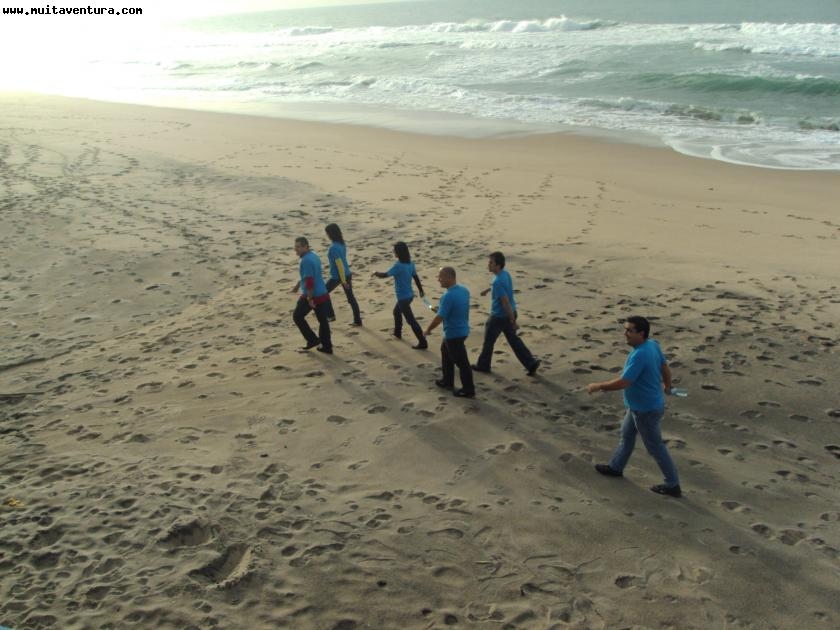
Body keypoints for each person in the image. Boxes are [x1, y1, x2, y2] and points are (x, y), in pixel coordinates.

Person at [586, 316, 681, 497]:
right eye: (625, 329)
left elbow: (624, 382)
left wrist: (598, 386)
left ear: (641, 333)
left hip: (645, 410)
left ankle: (672, 484)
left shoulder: (640, 354)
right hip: (639, 407)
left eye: (630, 330)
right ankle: (616, 467)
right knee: (627, 435)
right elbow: (664, 367)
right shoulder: (652, 345)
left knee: (655, 447)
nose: (625, 333)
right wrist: (668, 386)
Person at [473, 251, 540, 376]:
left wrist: (512, 321)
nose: (488, 265)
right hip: (511, 312)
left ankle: (483, 365)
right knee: (514, 340)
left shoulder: (497, 281)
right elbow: (499, 287)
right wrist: (487, 290)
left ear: (498, 266)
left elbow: (505, 302)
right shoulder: (505, 274)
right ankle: (531, 363)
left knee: (488, 341)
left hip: (499, 316)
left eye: (491, 263)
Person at [424, 267, 475, 398]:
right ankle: (447, 381)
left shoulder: (447, 296)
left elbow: (439, 318)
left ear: (449, 277)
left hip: (454, 333)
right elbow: (456, 308)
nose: (438, 279)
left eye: (440, 277)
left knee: (462, 363)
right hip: (463, 330)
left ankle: (468, 389)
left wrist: (428, 329)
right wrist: (442, 309)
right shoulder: (464, 290)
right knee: (445, 352)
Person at [372, 241, 427, 349]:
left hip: (403, 298)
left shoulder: (398, 266)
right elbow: (416, 277)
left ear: (399, 253)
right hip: (410, 295)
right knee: (396, 312)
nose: (394, 252)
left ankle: (423, 342)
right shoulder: (410, 264)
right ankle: (397, 333)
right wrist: (421, 291)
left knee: (411, 320)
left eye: (395, 251)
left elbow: (385, 275)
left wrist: (375, 272)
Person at [290, 236, 333, 354]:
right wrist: (297, 285)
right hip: (323, 292)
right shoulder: (313, 256)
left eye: (298, 247)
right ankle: (326, 347)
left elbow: (309, 280)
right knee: (323, 321)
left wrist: (309, 298)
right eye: (295, 247)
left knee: (297, 316)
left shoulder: (306, 261)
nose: (296, 249)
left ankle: (312, 340)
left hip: (313, 294)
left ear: (306, 247)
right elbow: (308, 276)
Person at [323, 223, 363, 326]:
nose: (326, 235)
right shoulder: (342, 244)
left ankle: (330, 315)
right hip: (347, 273)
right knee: (351, 298)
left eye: (327, 233)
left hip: (338, 276)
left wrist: (343, 281)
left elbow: (339, 265)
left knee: (323, 293)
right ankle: (358, 320)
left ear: (330, 234)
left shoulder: (333, 248)